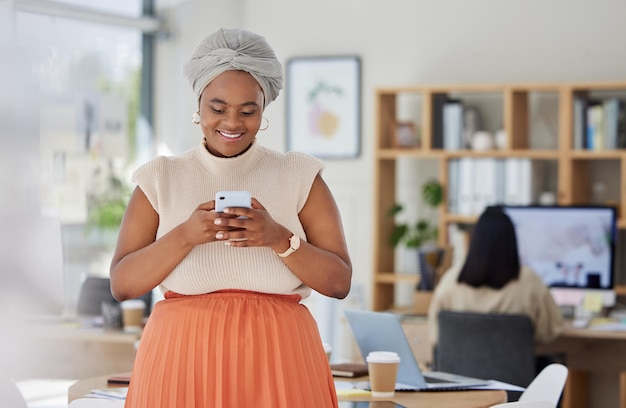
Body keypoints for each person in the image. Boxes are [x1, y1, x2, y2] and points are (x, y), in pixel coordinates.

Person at [110, 28, 352, 407]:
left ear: (264, 109)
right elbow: (122, 284)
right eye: (218, 108)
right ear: (199, 105)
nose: (232, 123)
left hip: (281, 363)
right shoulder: (161, 177)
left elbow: (339, 282)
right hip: (181, 363)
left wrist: (279, 239)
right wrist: (186, 235)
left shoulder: (299, 175)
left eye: (247, 110)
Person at [427, 206, 563, 347]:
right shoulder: (529, 280)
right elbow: (550, 331)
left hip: (455, 369)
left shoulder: (451, 280)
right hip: (514, 368)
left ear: (475, 241)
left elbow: (435, 336)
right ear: (511, 242)